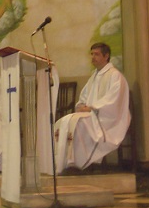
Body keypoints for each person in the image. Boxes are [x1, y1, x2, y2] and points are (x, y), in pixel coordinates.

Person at [53, 43, 131, 173]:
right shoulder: (95, 76)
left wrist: (92, 108)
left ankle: (81, 164)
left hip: (107, 119)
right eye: (92, 54)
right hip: (92, 115)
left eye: (97, 54)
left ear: (106, 56)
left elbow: (114, 101)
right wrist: (82, 106)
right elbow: (83, 97)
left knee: (78, 123)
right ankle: (67, 163)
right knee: (65, 121)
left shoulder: (115, 76)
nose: (93, 57)